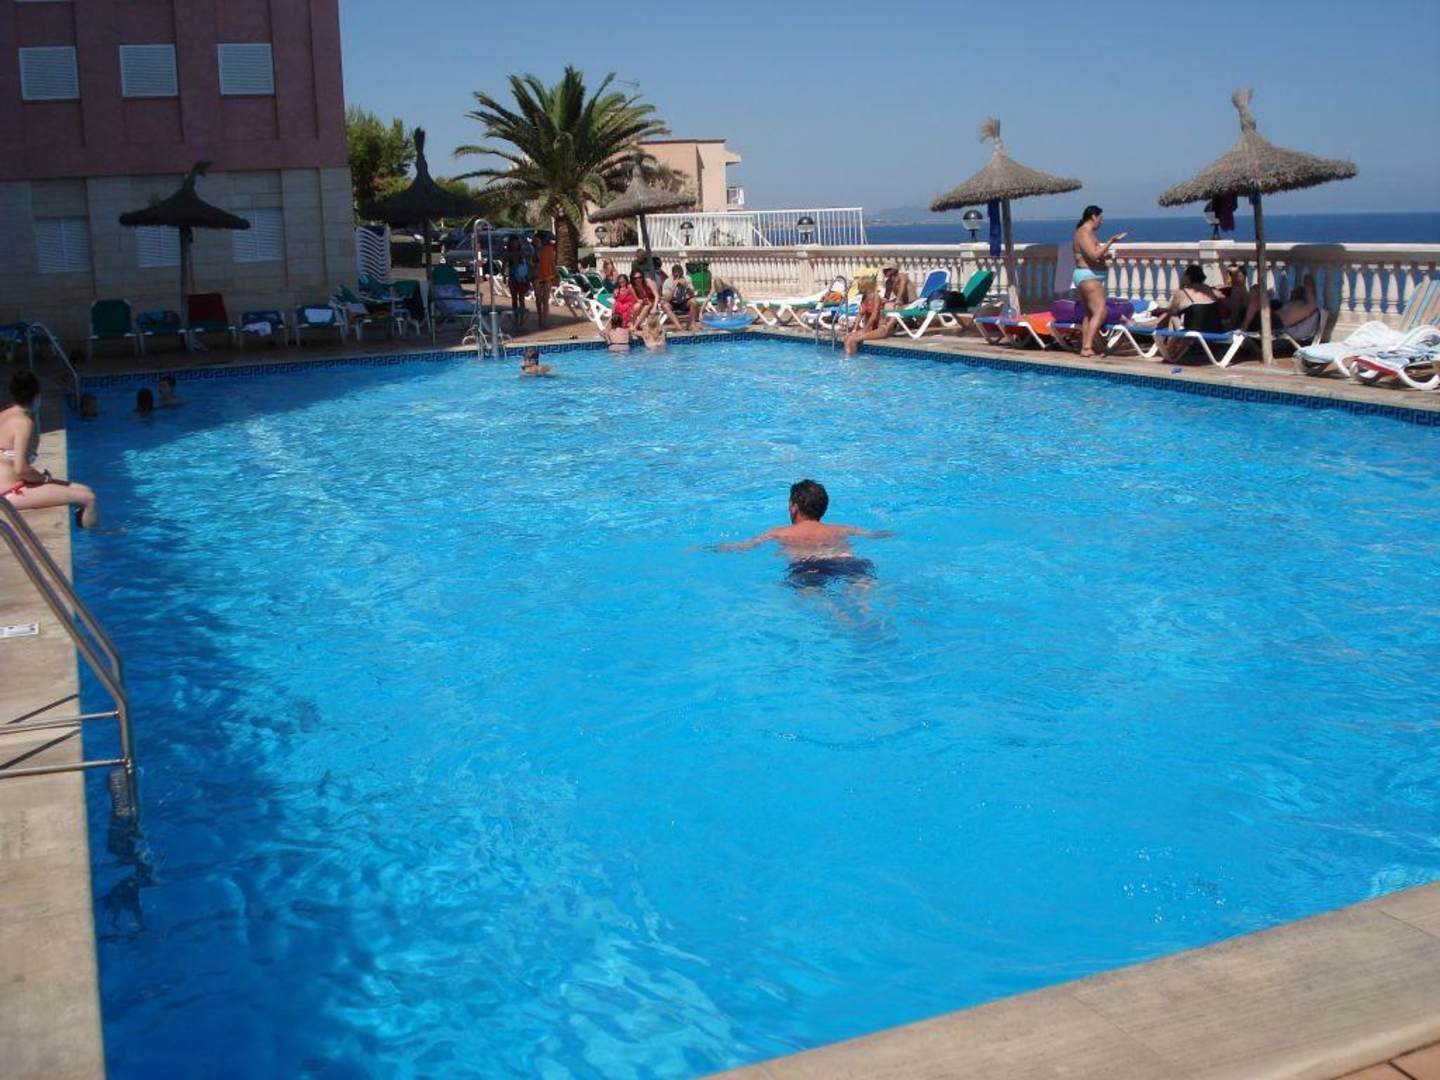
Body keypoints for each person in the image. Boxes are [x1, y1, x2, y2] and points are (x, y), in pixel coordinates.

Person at [715, 478, 890, 590]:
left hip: (808, 568)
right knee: (863, 597)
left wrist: (715, 548)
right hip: (848, 563)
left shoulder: (780, 532)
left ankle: (844, 620)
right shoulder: (843, 529)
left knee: (825, 605)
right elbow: (876, 535)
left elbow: (745, 546)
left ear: (794, 507)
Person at [1, 370, 100, 527]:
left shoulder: (4, 414)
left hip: (9, 486)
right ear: (37, 396)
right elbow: (21, 469)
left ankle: (86, 527)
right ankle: (92, 539)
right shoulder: (23, 423)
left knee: (86, 489)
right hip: (8, 493)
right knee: (89, 499)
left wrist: (42, 478)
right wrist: (44, 479)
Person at [1072, 205, 1128, 358]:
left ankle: (1085, 347)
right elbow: (1093, 255)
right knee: (1101, 312)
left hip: (1089, 276)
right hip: (1088, 277)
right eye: (1100, 219)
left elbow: (1091, 255)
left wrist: (1106, 255)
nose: (1101, 222)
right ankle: (1087, 346)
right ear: (1093, 217)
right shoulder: (1084, 232)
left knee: (1089, 314)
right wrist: (1110, 241)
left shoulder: (1087, 233)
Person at [1238, 271, 1321, 349]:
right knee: (1245, 294)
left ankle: (1242, 330)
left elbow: (1312, 302)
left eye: (1298, 290)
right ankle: (1241, 329)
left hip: (1272, 329)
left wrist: (1307, 278)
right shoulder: (1290, 305)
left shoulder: (1307, 308)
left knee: (1256, 291)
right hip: (1268, 324)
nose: (1293, 291)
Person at [843, 276, 889, 356]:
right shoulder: (864, 298)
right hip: (869, 329)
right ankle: (847, 359)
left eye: (859, 286)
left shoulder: (876, 297)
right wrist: (854, 329)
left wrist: (865, 329)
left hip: (880, 329)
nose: (858, 289)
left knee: (853, 339)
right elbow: (860, 314)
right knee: (847, 337)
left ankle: (851, 359)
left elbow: (874, 316)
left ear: (865, 287)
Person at [506, 237, 531, 328]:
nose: (514, 245)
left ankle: (521, 319)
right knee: (515, 299)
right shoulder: (509, 254)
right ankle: (517, 318)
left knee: (520, 299)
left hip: (520, 278)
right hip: (514, 278)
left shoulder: (520, 253)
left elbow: (526, 265)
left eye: (516, 243)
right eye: (513, 243)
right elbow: (505, 266)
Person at [534, 236, 558, 330]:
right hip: (537, 277)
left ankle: (545, 320)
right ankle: (540, 318)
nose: (536, 242)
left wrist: (556, 275)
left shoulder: (548, 250)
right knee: (538, 298)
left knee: (545, 299)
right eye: (535, 241)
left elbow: (552, 263)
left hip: (547, 276)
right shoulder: (532, 251)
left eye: (538, 240)